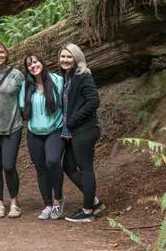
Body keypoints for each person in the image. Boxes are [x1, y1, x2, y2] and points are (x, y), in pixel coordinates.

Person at [59, 43, 105, 222]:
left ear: (77, 58)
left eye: (69, 56)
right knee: (68, 166)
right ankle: (94, 201)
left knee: (86, 169)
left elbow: (93, 101)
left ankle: (87, 212)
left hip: (85, 129)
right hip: (73, 131)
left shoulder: (83, 75)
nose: (65, 60)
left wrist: (73, 119)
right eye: (62, 56)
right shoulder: (68, 76)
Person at [19, 54, 65, 220]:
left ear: (42, 62)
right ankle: (47, 204)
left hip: (55, 129)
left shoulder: (57, 80)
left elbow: (66, 103)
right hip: (34, 132)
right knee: (41, 168)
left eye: (36, 62)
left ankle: (58, 200)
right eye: (29, 64)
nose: (33, 66)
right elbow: (22, 108)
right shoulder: (26, 86)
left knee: (52, 161)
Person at [0, 41, 24, 219]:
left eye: (1, 52)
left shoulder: (17, 75)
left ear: (6, 53)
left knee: (8, 166)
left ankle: (14, 203)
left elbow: (26, 97)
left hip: (12, 127)